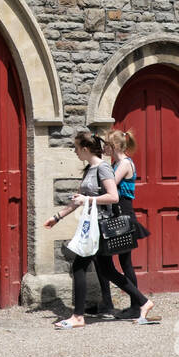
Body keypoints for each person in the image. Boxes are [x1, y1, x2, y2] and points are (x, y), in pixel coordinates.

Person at [44, 129, 157, 329]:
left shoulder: (105, 168)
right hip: (93, 225)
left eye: (76, 148)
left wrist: (87, 199)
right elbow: (79, 199)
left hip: (102, 226)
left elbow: (113, 196)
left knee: (80, 266)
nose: (75, 152)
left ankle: (78, 316)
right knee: (107, 269)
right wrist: (57, 217)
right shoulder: (90, 169)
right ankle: (143, 301)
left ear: (85, 149)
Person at [106, 129, 153, 318]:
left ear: (115, 146)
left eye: (107, 145)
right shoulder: (117, 162)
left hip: (124, 215)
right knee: (123, 262)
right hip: (116, 215)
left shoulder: (124, 164)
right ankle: (124, 303)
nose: (104, 148)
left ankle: (136, 306)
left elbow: (110, 184)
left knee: (126, 263)